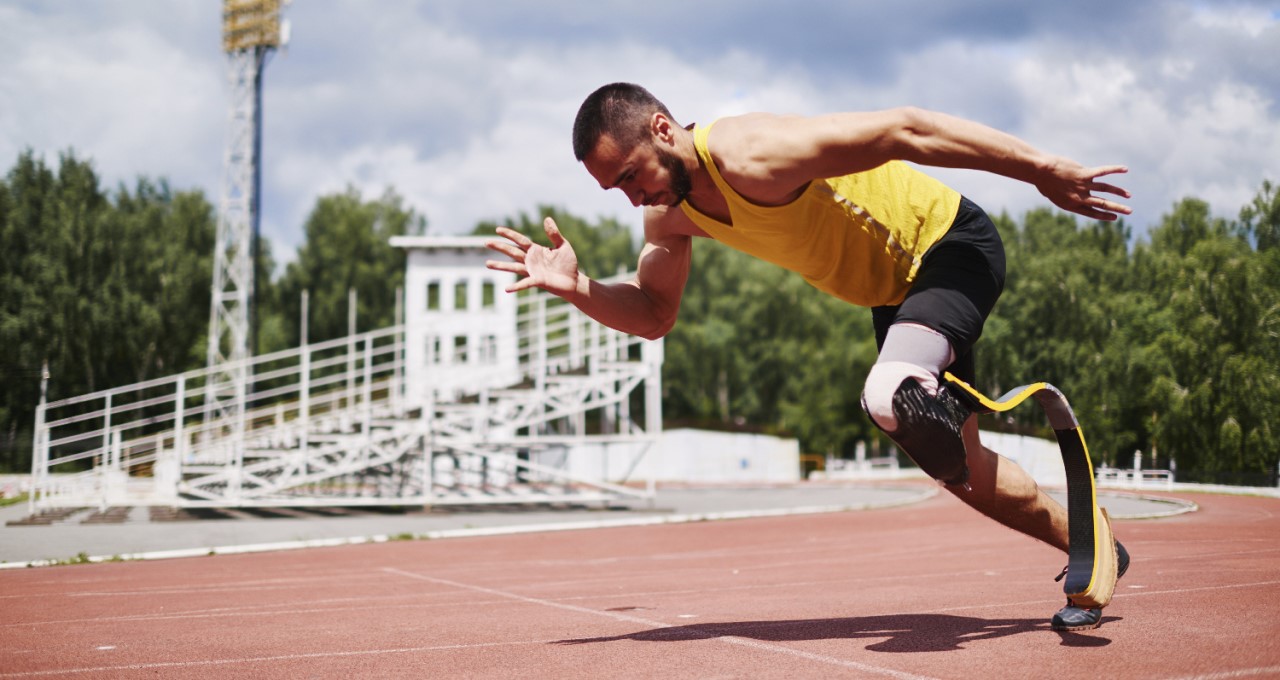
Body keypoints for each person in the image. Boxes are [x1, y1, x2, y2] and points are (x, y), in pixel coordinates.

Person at [485, 82, 1133, 631]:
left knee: (888, 396)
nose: (634, 199)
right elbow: (655, 314)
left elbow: (907, 128)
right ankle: (1091, 537)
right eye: (614, 191)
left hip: (949, 247)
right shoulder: (671, 215)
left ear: (662, 129)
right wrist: (580, 290)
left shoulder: (752, 151)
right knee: (956, 467)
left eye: (631, 175)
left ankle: (915, 386)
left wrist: (1040, 169)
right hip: (895, 296)